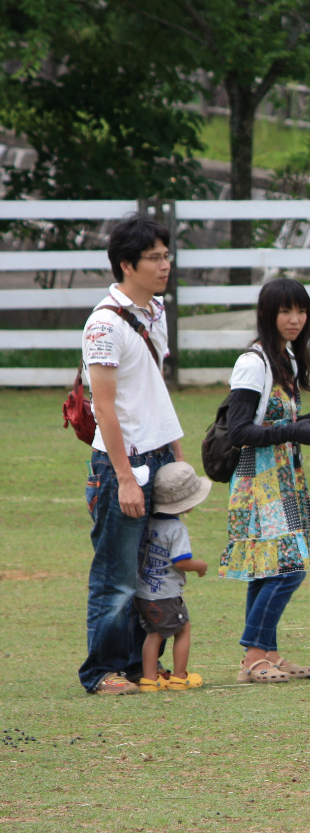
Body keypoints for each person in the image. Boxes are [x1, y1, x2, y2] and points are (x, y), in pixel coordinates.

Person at [79, 215, 183, 695]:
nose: (166, 265)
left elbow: (152, 389)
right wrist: (123, 477)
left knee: (150, 571)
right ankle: (101, 672)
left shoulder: (154, 311)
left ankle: (139, 666)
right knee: (116, 575)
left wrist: (176, 452)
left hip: (159, 456)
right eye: (155, 258)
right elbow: (104, 407)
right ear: (127, 264)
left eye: (167, 255)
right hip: (123, 463)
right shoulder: (103, 325)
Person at [220, 278, 310, 684]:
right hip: (259, 482)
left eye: (301, 311)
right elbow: (239, 431)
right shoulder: (253, 363)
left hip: (285, 479)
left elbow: (277, 421)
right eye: (285, 311)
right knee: (289, 567)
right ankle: (254, 654)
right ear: (268, 315)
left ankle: (267, 654)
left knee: (271, 568)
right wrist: (296, 432)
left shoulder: (285, 359)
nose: (295, 319)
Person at [135, 462, 211, 691]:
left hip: (143, 591)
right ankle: (179, 677)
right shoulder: (176, 529)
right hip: (166, 593)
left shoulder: (146, 522)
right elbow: (181, 561)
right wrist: (199, 565)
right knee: (183, 628)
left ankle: (149, 679)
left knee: (154, 633)